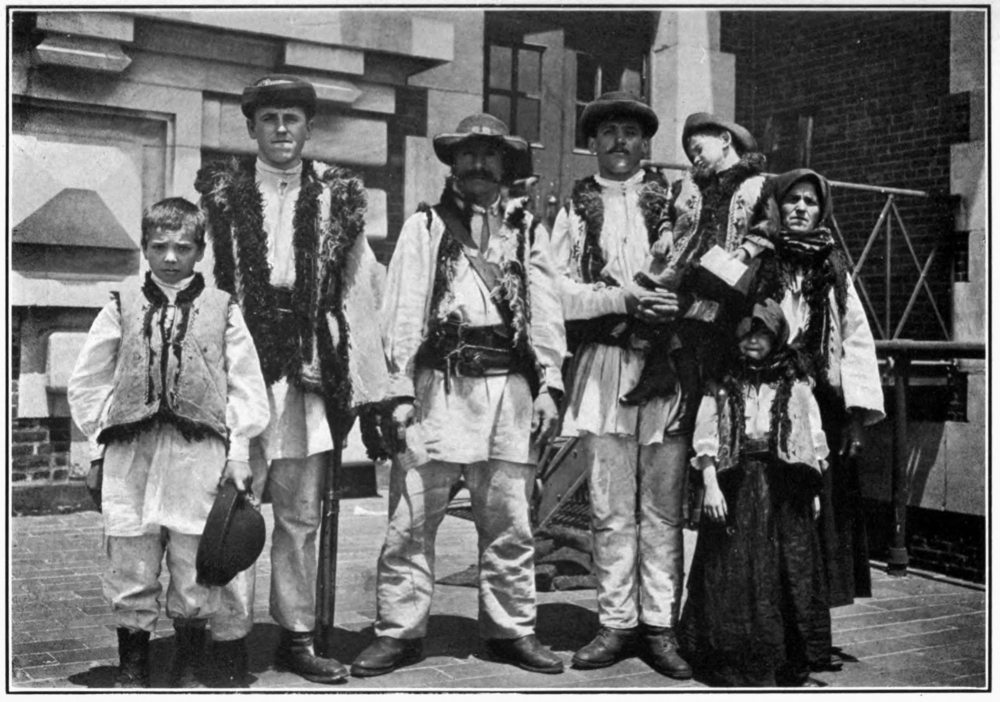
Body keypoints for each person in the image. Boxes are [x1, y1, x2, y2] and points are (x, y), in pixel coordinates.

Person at [351, 113, 566, 677]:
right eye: (468, 154)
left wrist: (549, 385)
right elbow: (402, 310)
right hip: (437, 391)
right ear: (454, 163)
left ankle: (511, 629)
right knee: (411, 520)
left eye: (489, 155)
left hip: (508, 394)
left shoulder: (527, 230)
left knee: (509, 522)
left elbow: (546, 314)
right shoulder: (426, 226)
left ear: (505, 165)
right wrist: (400, 391)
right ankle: (399, 631)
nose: (478, 164)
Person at [194, 74, 388, 684]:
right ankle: (228, 635)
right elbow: (203, 283)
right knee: (234, 503)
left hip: (307, 365)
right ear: (252, 127)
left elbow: (359, 288)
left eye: (293, 118)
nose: (281, 129)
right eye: (270, 118)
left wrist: (367, 387)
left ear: (308, 127)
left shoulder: (337, 197)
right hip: (241, 361)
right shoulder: (223, 196)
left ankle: (297, 635)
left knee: (301, 514)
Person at [67, 198, 270, 688]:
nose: (171, 257)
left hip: (196, 455)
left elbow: (246, 385)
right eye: (159, 247)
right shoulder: (121, 305)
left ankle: (189, 660)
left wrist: (238, 452)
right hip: (131, 454)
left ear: (200, 250)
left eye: (183, 247)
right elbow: (88, 381)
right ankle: (133, 664)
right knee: (131, 555)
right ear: (144, 248)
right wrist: (97, 449)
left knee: (193, 556)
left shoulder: (222, 308)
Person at [548, 91, 691, 679]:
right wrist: (621, 299)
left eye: (630, 132)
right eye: (607, 132)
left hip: (665, 367)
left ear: (645, 142)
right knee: (610, 506)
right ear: (593, 143)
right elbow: (556, 292)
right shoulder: (574, 211)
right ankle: (615, 622)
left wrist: (676, 305)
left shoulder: (677, 202)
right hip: (605, 365)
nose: (619, 142)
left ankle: (660, 625)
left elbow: (705, 278)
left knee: (662, 506)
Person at [749, 169, 885, 647]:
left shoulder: (833, 267)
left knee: (816, 515)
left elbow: (856, 338)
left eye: (810, 201)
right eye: (793, 200)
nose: (801, 208)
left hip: (818, 405)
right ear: (778, 205)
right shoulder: (761, 257)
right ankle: (765, 623)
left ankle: (809, 631)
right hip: (765, 395)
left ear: (821, 210)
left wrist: (855, 415)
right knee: (766, 509)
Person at [678, 299, 831, 687]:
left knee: (786, 568)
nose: (752, 341)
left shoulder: (795, 382)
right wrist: (711, 485)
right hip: (736, 483)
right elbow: (707, 435)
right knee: (732, 567)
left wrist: (811, 489)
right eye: (745, 333)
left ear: (776, 337)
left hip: (784, 486)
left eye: (761, 334)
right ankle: (731, 657)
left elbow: (810, 436)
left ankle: (784, 659)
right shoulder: (723, 382)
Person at [618, 111, 772, 407]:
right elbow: (668, 213)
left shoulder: (757, 185)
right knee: (658, 306)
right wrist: (665, 233)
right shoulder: (688, 185)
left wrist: (745, 251)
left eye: (699, 149)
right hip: (686, 265)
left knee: (704, 328)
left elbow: (767, 225)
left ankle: (693, 394)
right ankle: (659, 372)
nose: (695, 159)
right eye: (691, 155)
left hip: (730, 276)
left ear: (725, 140)